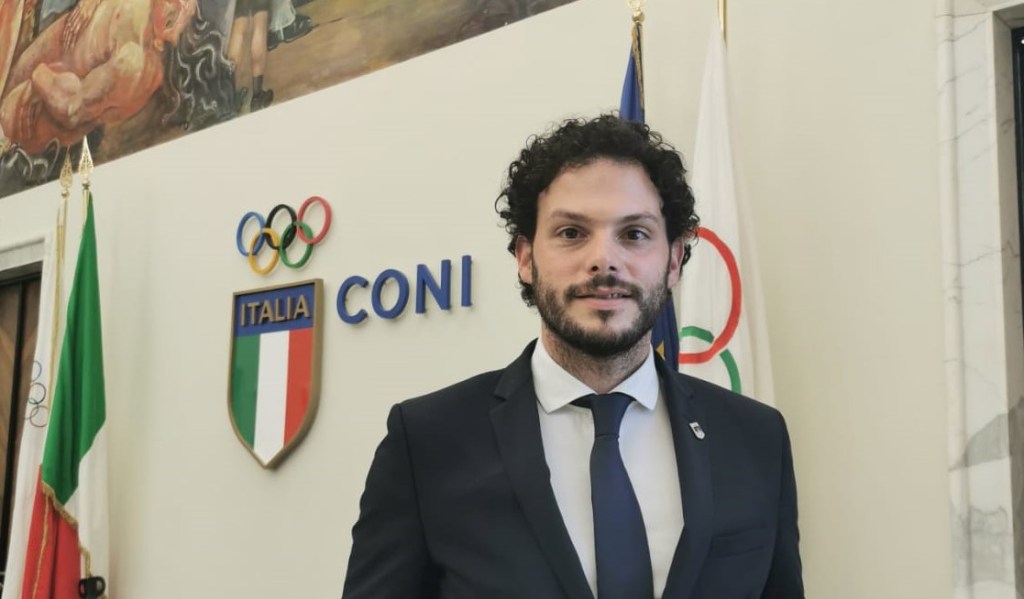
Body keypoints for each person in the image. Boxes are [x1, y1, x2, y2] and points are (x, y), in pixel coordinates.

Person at [342, 114, 804, 599]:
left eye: (635, 234)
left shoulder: (756, 438)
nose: (604, 259)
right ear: (525, 258)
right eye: (571, 232)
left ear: (673, 260)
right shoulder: (428, 442)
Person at [0, 0, 198, 155]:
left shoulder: (135, 60)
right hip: (33, 65)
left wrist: (39, 76)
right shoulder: (142, 12)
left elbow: (71, 109)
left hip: (26, 113)